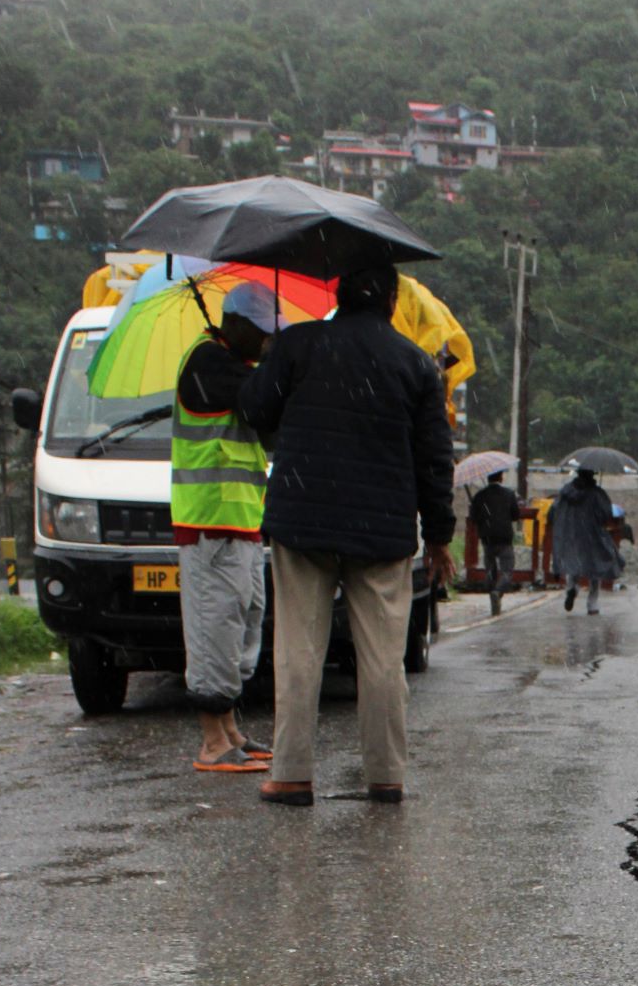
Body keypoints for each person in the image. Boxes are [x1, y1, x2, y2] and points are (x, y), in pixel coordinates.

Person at [237, 258, 455, 807]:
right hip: (381, 530)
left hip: (303, 518)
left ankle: (290, 774)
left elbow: (255, 409)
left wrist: (272, 363)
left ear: (339, 294)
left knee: (298, 652)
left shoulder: (298, 345)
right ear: (389, 302)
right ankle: (385, 777)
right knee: (383, 659)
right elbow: (435, 460)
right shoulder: (416, 365)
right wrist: (441, 536)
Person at [171, 283, 279, 772]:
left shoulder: (235, 365)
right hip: (209, 524)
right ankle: (213, 742)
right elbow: (258, 401)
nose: (264, 343)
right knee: (214, 626)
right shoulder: (207, 364)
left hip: (241, 525)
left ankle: (231, 729)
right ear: (233, 324)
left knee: (241, 621)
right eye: (260, 334)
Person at [549, 464, 622, 614]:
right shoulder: (596, 493)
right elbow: (606, 514)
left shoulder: (566, 491)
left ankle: (572, 588)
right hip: (592, 534)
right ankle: (592, 604)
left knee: (574, 562)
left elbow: (554, 510)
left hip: (571, 533)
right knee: (596, 566)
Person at [467, 469, 522, 615]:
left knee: (490, 570)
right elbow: (516, 515)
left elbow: (473, 517)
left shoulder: (480, 496)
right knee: (507, 570)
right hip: (504, 537)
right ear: (501, 478)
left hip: (487, 537)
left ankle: (493, 592)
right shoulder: (509, 494)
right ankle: (497, 592)